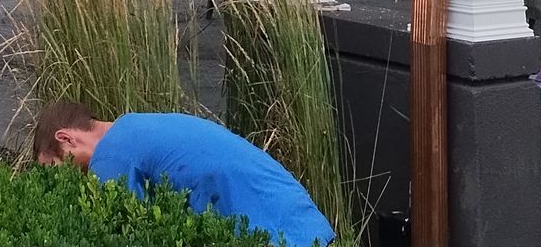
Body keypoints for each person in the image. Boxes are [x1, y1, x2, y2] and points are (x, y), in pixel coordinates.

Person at [30, 101, 335, 246]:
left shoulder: (111, 156)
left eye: (57, 169)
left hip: (277, 237)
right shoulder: (139, 125)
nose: (67, 181)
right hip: (302, 222)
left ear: (66, 138)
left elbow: (122, 235)